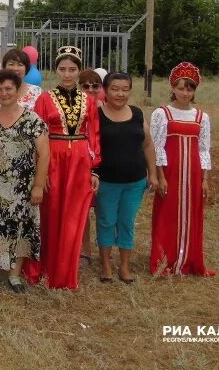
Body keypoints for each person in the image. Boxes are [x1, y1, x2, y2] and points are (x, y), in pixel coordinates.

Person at [23, 45, 101, 290]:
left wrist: (93, 168)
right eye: (63, 69)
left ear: (79, 71)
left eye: (72, 69)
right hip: (52, 159)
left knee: (73, 215)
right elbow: (36, 138)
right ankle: (45, 266)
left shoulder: (88, 101)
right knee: (49, 213)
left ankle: (66, 271)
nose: (67, 74)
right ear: (55, 70)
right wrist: (40, 172)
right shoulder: (44, 99)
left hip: (79, 161)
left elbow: (94, 136)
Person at [0, 70, 48, 293]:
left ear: (18, 90)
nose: (4, 93)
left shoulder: (32, 119)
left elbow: (44, 155)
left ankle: (15, 275)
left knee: (20, 229)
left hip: (22, 188)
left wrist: (38, 185)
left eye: (9, 88)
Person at [150, 62, 215, 277]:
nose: (185, 93)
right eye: (180, 88)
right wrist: (160, 176)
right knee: (167, 214)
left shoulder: (201, 117)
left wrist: (205, 179)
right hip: (171, 172)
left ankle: (189, 258)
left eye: (189, 88)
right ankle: (165, 259)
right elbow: (156, 146)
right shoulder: (162, 113)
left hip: (194, 173)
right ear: (173, 88)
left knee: (192, 214)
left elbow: (204, 149)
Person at [95, 72, 158, 284]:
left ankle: (124, 266)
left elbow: (148, 145)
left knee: (126, 222)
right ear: (105, 90)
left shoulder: (138, 114)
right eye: (115, 89)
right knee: (106, 221)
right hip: (106, 182)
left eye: (125, 89)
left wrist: (153, 174)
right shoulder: (96, 115)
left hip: (135, 181)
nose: (120, 94)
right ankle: (105, 264)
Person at [77, 67, 103, 264]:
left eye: (96, 85)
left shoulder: (107, 108)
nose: (91, 89)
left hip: (104, 163)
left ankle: (105, 248)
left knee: (104, 211)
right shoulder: (78, 109)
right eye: (86, 86)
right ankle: (84, 249)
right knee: (83, 210)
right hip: (82, 163)